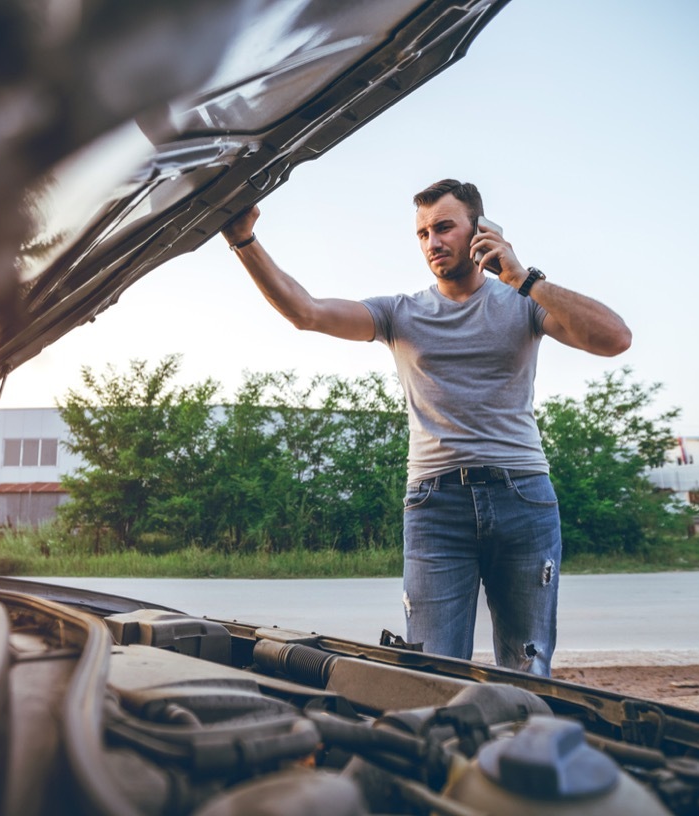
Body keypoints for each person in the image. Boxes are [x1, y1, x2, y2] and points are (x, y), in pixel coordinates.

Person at [221, 179, 631, 676]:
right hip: (435, 507)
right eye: (422, 233)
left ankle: (518, 751)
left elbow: (615, 338)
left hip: (523, 496)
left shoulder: (523, 302)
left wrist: (523, 277)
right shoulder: (401, 313)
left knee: (529, 671)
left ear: (480, 231)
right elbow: (306, 312)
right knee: (430, 675)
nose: (432, 243)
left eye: (444, 227)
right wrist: (243, 241)